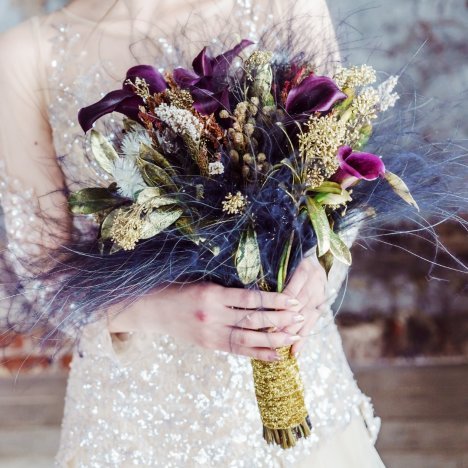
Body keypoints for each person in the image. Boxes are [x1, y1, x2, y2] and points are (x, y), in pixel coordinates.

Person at [0, 0, 385, 466]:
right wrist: (162, 311)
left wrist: (315, 273)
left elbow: (344, 186)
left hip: (306, 397)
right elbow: (45, 276)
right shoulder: (26, 54)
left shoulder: (285, 5)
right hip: (133, 426)